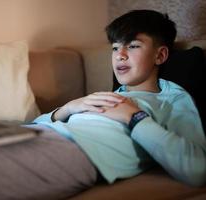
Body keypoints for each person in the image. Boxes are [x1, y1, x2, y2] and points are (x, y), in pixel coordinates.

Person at [33, 9, 206, 186]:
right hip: (40, 134)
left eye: (132, 46)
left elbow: (198, 169)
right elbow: (33, 124)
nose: (120, 55)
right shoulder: (109, 95)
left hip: (74, 149)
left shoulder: (171, 99)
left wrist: (134, 117)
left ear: (160, 55)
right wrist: (68, 108)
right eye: (115, 47)